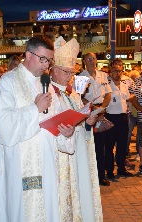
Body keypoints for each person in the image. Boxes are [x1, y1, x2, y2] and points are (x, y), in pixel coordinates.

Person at [0, 36, 65, 221]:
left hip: (46, 161)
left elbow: (54, 119)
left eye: (49, 60)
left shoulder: (45, 84)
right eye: (43, 59)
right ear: (28, 55)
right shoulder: (8, 82)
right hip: (20, 164)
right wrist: (34, 109)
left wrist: (65, 131)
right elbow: (2, 124)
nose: (46, 66)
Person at [48, 37, 103, 221]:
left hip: (78, 152)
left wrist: (88, 122)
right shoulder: (48, 93)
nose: (69, 76)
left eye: (71, 72)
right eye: (65, 71)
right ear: (54, 70)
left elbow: (80, 119)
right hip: (61, 156)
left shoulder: (73, 93)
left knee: (79, 191)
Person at [78, 52, 112, 186]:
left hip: (103, 113)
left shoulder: (103, 75)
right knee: (92, 146)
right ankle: (91, 176)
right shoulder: (81, 77)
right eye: (89, 59)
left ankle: (101, 175)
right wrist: (94, 108)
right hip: (90, 115)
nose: (92, 61)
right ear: (84, 61)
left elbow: (108, 94)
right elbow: (79, 96)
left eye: (94, 58)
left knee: (103, 146)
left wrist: (102, 107)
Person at [105, 64, 134, 179]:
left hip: (123, 117)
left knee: (122, 145)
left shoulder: (123, 85)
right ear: (111, 72)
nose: (118, 73)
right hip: (111, 117)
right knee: (109, 146)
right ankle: (110, 170)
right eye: (116, 71)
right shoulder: (107, 86)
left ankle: (121, 168)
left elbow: (126, 98)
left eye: (120, 71)